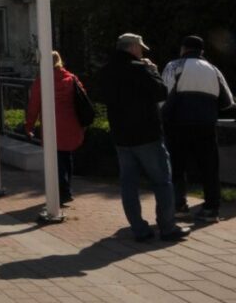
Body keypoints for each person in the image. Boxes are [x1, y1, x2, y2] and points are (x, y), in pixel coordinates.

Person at [99, 33, 190, 242]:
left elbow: (102, 96)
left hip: (121, 136)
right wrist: (153, 70)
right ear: (132, 48)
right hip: (147, 135)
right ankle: (167, 227)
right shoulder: (140, 69)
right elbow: (161, 92)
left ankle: (139, 229)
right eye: (140, 49)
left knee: (128, 184)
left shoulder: (106, 71)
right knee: (162, 182)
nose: (142, 53)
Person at [162, 35, 235, 223]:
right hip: (206, 126)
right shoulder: (214, 69)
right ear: (201, 51)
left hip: (178, 125)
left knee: (177, 167)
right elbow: (227, 102)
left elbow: (164, 96)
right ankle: (211, 209)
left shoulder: (173, 66)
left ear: (183, 48)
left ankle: (179, 206)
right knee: (209, 168)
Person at [24, 51, 87, 205]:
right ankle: (67, 189)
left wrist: (29, 125)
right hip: (71, 123)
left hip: (51, 125)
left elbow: (33, 106)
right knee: (67, 156)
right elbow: (83, 97)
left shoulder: (42, 81)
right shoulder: (71, 78)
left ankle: (62, 192)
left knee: (56, 160)